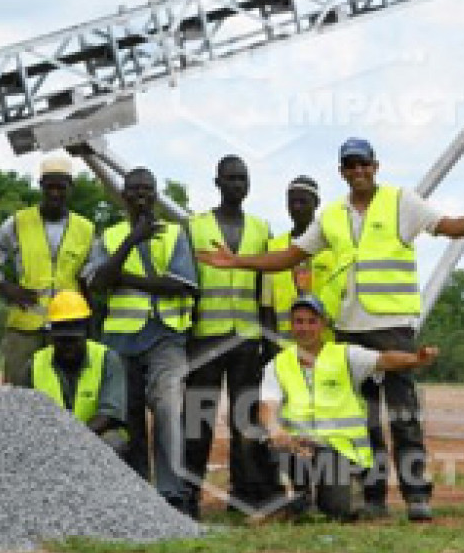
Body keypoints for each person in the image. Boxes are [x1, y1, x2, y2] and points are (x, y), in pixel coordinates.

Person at [198, 137, 464, 521]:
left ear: (375, 166)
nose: (358, 171)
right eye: (350, 165)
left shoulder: (403, 202)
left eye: (364, 164)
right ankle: (374, 495)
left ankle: (417, 495)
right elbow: (290, 256)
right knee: (362, 422)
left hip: (393, 325)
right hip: (350, 329)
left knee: (404, 417)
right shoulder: (332, 216)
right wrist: (238, 263)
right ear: (342, 172)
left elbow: (450, 227)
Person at [84, 167, 197, 514]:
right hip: (120, 338)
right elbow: (97, 283)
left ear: (156, 193)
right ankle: (136, 494)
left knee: (167, 409)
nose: (140, 195)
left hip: (166, 336)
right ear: (123, 195)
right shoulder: (111, 235)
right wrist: (133, 239)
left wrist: (124, 277)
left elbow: (180, 284)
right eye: (133, 190)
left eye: (147, 189)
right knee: (128, 416)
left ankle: (171, 493)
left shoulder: (174, 235)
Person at [268, 295, 438, 521]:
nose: (305, 328)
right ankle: (297, 497)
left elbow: (384, 359)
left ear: (323, 325)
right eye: (299, 321)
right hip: (298, 446)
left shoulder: (344, 355)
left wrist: (416, 359)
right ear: (291, 325)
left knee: (341, 509)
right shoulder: (279, 363)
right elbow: (266, 404)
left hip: (337, 451)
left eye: (311, 321)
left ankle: (332, 497)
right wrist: (274, 429)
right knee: (265, 440)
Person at [184, 155, 275, 519]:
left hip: (247, 339)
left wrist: (267, 337)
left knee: (245, 419)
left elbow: (264, 287)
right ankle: (188, 494)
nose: (238, 184)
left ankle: (245, 494)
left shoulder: (260, 229)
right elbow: (189, 284)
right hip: (206, 337)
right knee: (198, 418)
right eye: (231, 178)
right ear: (217, 182)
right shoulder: (195, 227)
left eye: (243, 179)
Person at [0, 157, 94, 386]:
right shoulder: (19, 222)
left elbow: (87, 280)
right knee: (18, 393)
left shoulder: (85, 229)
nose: (55, 193)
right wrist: (7, 288)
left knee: (65, 391)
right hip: (25, 325)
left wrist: (88, 325)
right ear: (41, 186)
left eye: (61, 187)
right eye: (50, 186)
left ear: (71, 188)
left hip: (67, 327)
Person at [23, 290, 128, 454]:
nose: (68, 347)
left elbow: (109, 414)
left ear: (86, 333)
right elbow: (27, 416)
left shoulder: (107, 359)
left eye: (73, 340)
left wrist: (75, 439)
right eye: (62, 340)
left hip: (94, 436)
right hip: (49, 441)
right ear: (51, 336)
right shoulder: (35, 364)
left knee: (114, 442)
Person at [262, 175, 340, 348]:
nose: (296, 207)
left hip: (326, 345)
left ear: (316, 203)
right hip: (284, 347)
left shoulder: (333, 247)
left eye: (303, 202)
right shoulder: (274, 247)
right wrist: (270, 346)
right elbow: (267, 305)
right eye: (292, 202)